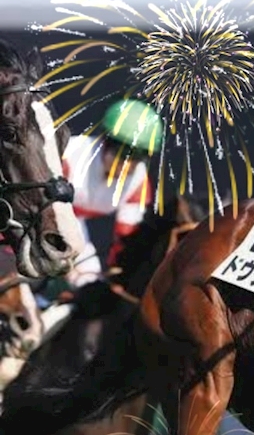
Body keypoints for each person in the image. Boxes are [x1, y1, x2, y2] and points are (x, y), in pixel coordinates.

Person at [36, 99, 162, 334]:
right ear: (106, 142)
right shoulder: (69, 156)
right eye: (123, 154)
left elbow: (126, 238)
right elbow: (37, 209)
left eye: (138, 157)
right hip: (35, 222)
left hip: (75, 229)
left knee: (92, 285)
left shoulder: (138, 184)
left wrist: (117, 279)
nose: (128, 165)